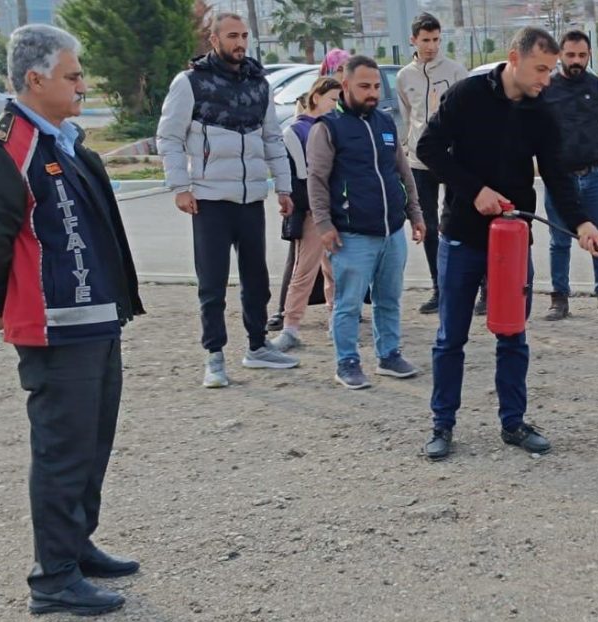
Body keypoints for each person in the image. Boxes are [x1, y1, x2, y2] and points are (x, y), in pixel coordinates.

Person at [0, 24, 144, 615]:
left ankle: (77, 545)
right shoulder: (5, 148)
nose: (82, 85)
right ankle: (53, 577)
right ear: (35, 78)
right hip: (54, 327)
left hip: (95, 319)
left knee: (93, 443)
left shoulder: (64, 139)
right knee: (62, 450)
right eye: (72, 76)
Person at [416, 27, 598, 460]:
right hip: (463, 235)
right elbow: (428, 148)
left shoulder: (543, 111)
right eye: (540, 68)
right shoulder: (466, 96)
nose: (546, 78)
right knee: (450, 338)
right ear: (514, 59)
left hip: (513, 242)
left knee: (513, 335)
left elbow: (557, 174)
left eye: (551, 69)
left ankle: (513, 424)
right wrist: (475, 190)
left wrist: (582, 223)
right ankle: (442, 425)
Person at [156, 12, 299, 388]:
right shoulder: (190, 83)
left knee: (257, 279)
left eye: (244, 36)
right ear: (214, 39)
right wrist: (180, 187)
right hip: (208, 200)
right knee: (212, 283)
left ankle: (257, 346)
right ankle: (214, 356)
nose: (240, 43)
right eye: (232, 35)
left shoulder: (259, 84)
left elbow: (272, 139)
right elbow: (168, 137)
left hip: (251, 198)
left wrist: (283, 187)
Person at [307, 56, 426, 389]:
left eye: (376, 86)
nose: (372, 92)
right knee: (348, 303)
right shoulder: (327, 128)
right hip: (352, 235)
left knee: (389, 299)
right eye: (364, 86)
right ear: (345, 85)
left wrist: (415, 214)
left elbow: (402, 172)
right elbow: (316, 180)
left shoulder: (386, 124)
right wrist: (324, 225)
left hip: (392, 232)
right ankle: (347, 362)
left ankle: (389, 355)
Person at [541, 29, 598, 320]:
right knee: (559, 241)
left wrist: (590, 141)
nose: (576, 61)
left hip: (595, 177)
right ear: (560, 56)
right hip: (559, 181)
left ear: (589, 55)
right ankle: (559, 298)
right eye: (570, 55)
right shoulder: (546, 89)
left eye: (582, 55)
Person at [397, 12, 468, 314]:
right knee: (426, 225)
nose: (431, 46)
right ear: (413, 40)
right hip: (418, 162)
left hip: (452, 159)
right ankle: (439, 288)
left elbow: (468, 114)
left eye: (436, 39)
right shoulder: (404, 76)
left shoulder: (455, 71)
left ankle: (475, 287)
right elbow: (406, 117)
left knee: (462, 223)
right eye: (426, 40)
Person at [269, 77, 341, 352]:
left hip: (334, 207)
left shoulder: (332, 126)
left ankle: (336, 320)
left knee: (335, 269)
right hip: (313, 209)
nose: (336, 106)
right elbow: (303, 174)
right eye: (333, 100)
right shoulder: (296, 131)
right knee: (305, 270)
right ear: (316, 98)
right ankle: (291, 326)